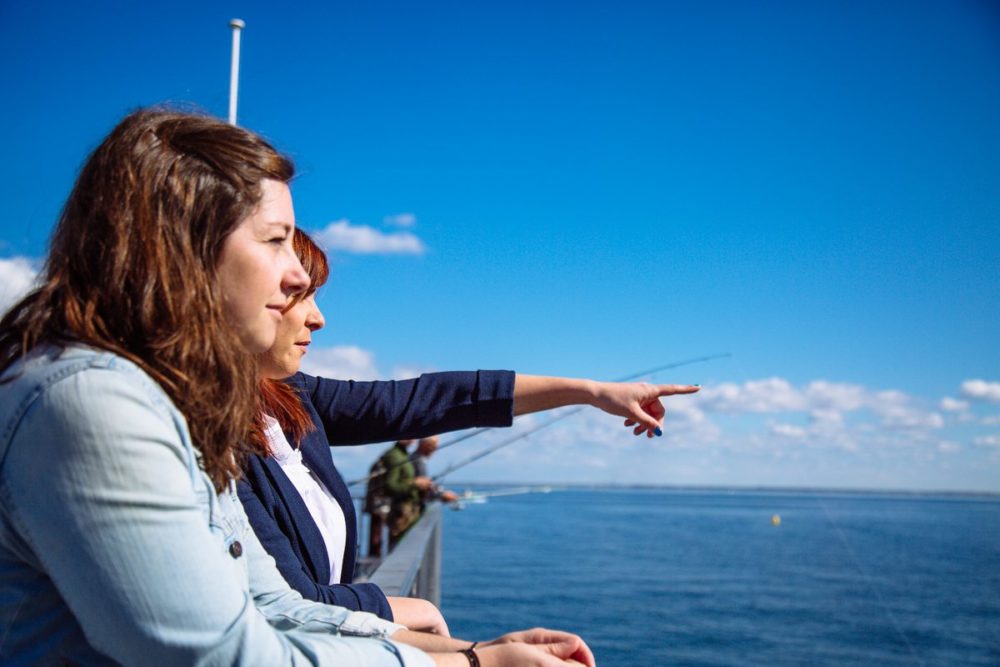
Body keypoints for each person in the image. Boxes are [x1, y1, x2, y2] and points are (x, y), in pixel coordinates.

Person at [0, 108, 598, 666]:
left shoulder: (179, 408)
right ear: (182, 247)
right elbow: (222, 655)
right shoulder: (91, 403)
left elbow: (273, 605)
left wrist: (472, 652)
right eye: (275, 239)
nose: (294, 276)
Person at [238, 229, 701, 631]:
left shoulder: (289, 397)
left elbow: (432, 399)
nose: (319, 318)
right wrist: (410, 617)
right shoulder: (213, 433)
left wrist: (590, 391)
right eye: (301, 296)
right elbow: (285, 604)